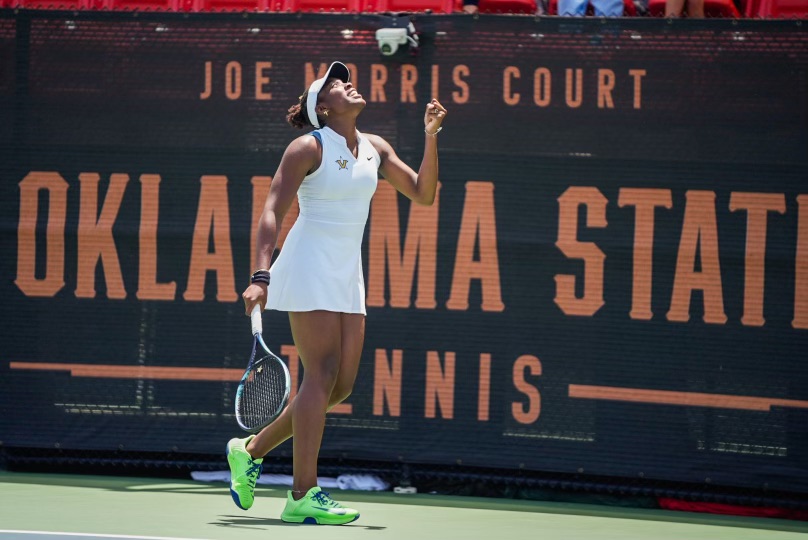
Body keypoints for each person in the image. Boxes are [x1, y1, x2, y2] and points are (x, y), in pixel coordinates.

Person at [226, 61, 447, 526]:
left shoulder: (376, 148)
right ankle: (302, 494)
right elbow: (272, 211)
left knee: (338, 386)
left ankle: (250, 450)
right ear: (322, 108)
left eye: (345, 79)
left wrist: (430, 135)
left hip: (347, 271)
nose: (347, 83)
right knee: (321, 373)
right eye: (335, 84)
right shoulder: (307, 146)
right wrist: (260, 276)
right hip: (308, 264)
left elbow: (424, 194)